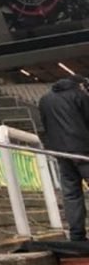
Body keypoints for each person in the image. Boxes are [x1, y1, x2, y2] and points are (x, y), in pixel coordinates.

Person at [38, 77, 89, 241]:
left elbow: (45, 125)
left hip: (61, 153)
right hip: (83, 150)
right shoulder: (79, 95)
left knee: (71, 194)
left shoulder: (45, 100)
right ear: (79, 84)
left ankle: (77, 235)